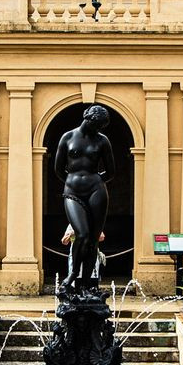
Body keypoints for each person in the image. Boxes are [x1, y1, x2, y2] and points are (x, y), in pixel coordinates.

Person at [54, 105, 115, 288]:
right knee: (82, 234)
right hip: (73, 192)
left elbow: (110, 172)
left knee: (93, 240)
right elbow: (58, 169)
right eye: (96, 124)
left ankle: (88, 284)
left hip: (96, 191)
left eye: (100, 126)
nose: (98, 129)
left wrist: (93, 181)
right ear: (88, 118)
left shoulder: (102, 141)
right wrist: (74, 182)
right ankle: (73, 274)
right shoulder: (68, 137)